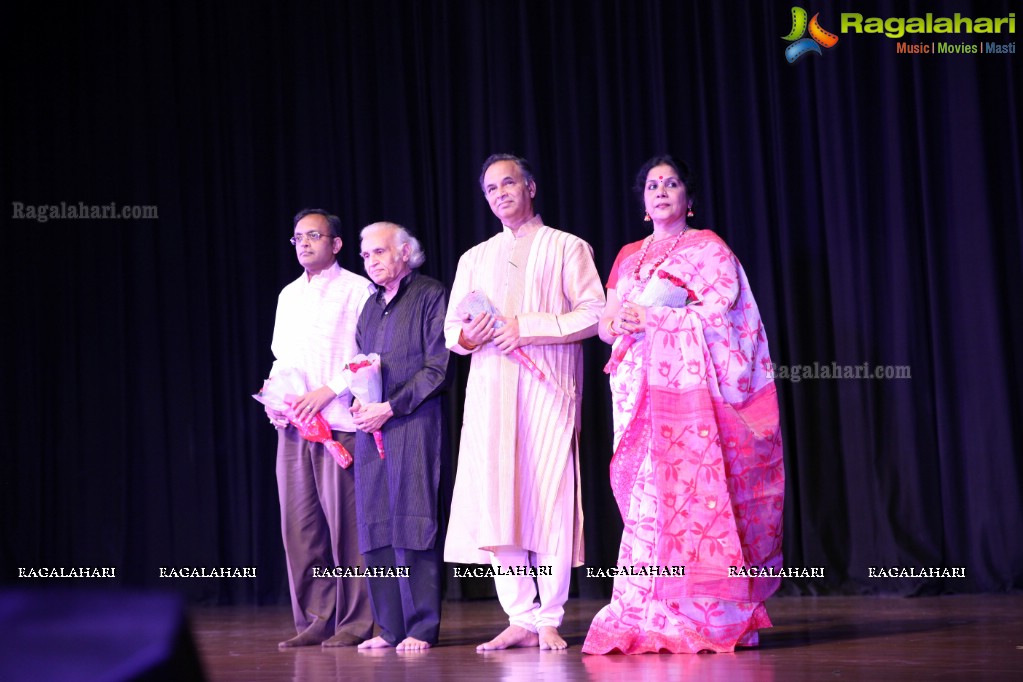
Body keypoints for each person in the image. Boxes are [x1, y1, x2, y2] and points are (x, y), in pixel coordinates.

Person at [582, 155, 785, 654]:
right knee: (645, 503)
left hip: (692, 398)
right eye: (652, 185)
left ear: (688, 199)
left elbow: (724, 317)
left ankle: (710, 614)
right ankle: (643, 609)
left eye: (672, 183)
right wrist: (623, 323)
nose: (661, 191)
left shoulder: (709, 249)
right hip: (636, 389)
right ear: (644, 202)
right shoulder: (628, 255)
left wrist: (658, 318)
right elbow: (606, 324)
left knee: (694, 492)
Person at [444, 154, 606, 651]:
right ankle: (520, 615)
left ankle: (551, 615)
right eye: (490, 189)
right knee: (499, 503)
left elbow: (595, 315)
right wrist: (470, 336)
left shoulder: (567, 247)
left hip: (547, 392)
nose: (499, 195)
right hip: (491, 394)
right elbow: (452, 332)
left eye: (508, 183)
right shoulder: (473, 259)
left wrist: (526, 327)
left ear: (530, 186)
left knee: (549, 499)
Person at [264, 208, 374, 648]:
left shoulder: (357, 289)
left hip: (340, 424)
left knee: (347, 528)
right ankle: (315, 618)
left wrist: (328, 392)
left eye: (314, 235)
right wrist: (275, 398)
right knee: (301, 527)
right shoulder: (288, 294)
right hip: (294, 427)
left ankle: (357, 621)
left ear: (336, 243)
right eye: (297, 237)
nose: (304, 243)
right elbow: (281, 359)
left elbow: (369, 356)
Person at [348, 222, 451, 652]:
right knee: (375, 524)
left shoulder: (429, 294)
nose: (371, 261)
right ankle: (388, 628)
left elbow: (437, 367)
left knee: (413, 518)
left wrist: (391, 405)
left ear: (405, 253)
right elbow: (356, 362)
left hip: (413, 420)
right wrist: (359, 403)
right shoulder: (370, 307)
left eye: (379, 252)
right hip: (371, 426)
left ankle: (420, 627)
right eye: (366, 255)